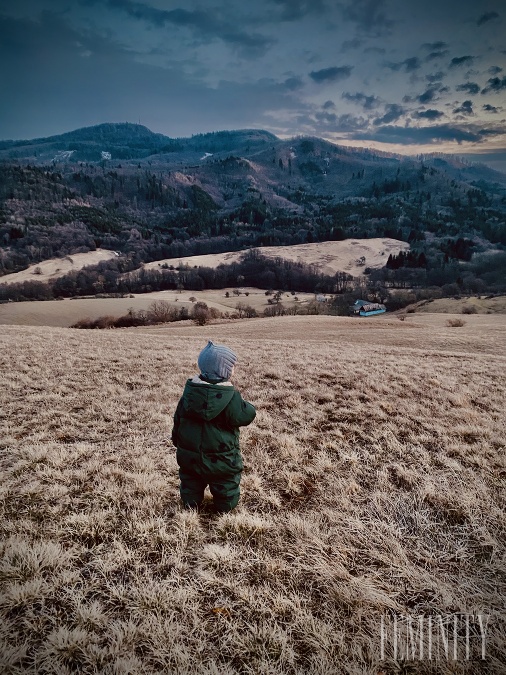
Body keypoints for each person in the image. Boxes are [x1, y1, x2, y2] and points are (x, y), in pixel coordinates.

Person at [171, 340, 256, 512]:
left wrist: (177, 440)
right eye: (231, 366)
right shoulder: (231, 398)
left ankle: (190, 503)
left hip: (191, 457)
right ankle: (225, 508)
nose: (233, 369)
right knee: (226, 483)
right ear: (223, 371)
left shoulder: (189, 394)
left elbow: (178, 419)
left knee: (190, 480)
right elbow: (247, 415)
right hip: (223, 460)